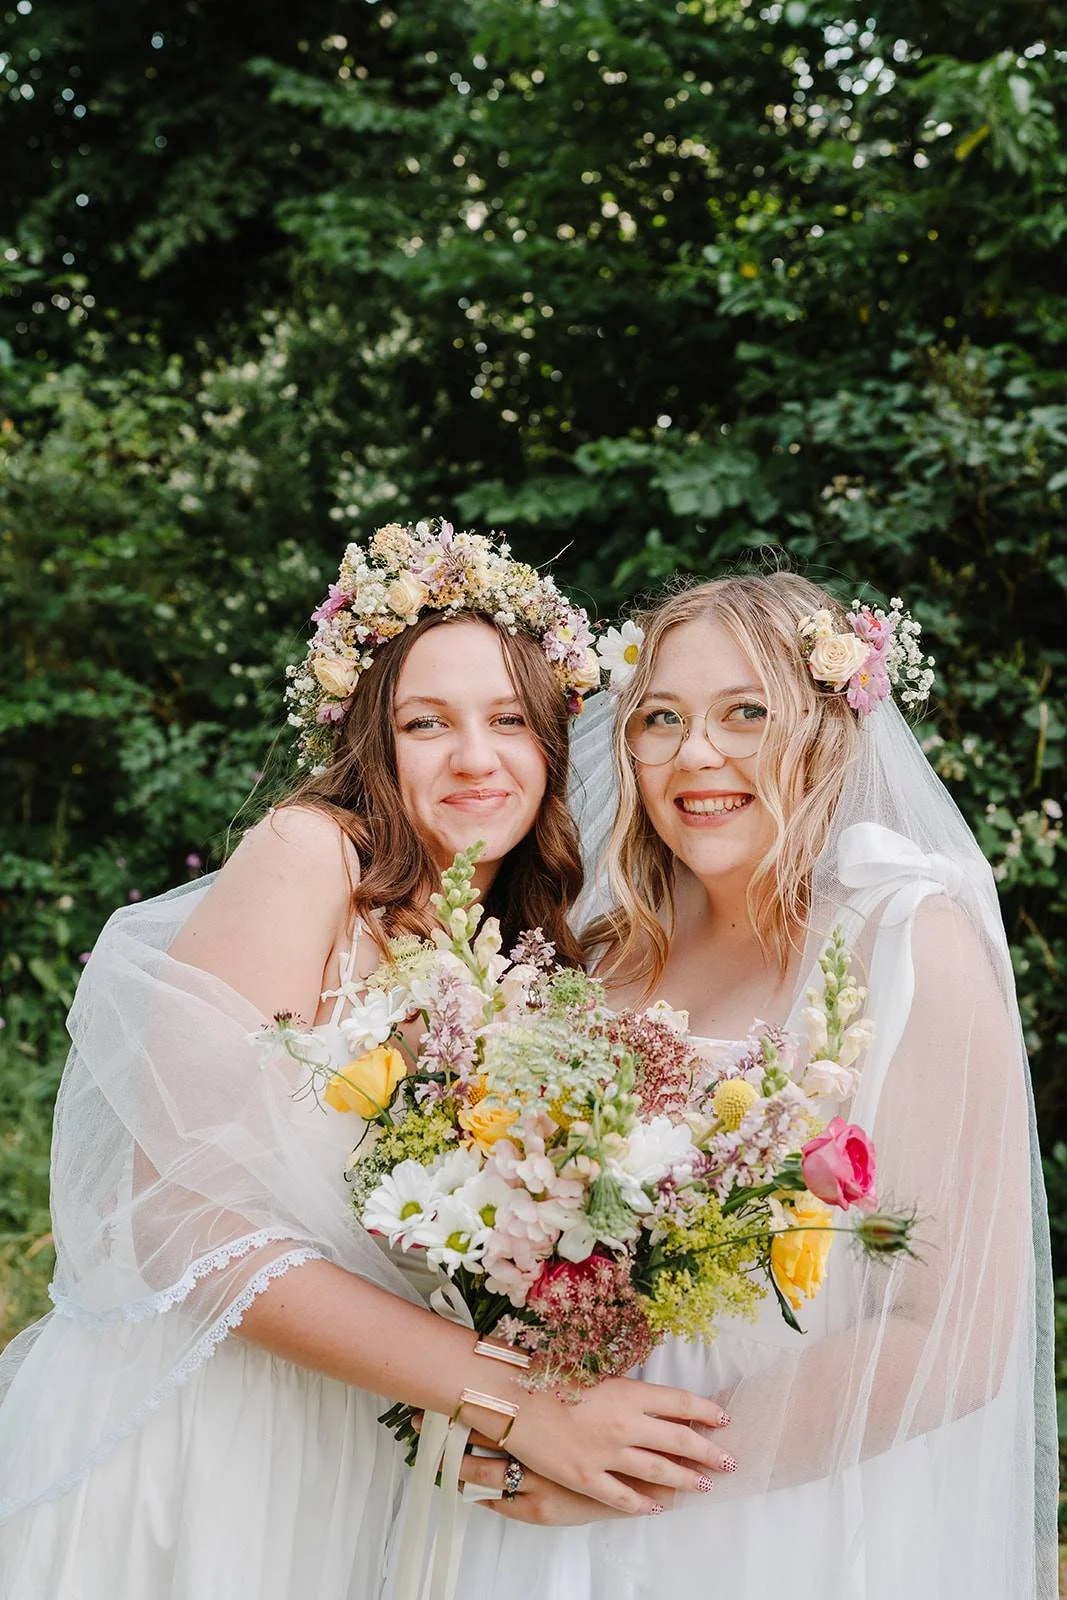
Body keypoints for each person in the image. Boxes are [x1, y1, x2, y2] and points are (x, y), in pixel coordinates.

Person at [0, 523, 733, 1600]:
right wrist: (517, 1399)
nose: (474, 758)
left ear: (552, 741)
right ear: (372, 745)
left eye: (506, 722)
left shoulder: (538, 951)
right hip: (210, 1421)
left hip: (371, 1435)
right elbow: (177, 1222)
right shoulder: (311, 859)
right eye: (425, 723)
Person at [562, 570, 1057, 1599]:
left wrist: (638, 1476)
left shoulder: (908, 946)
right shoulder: (595, 956)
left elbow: (950, 1339)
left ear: (826, 726)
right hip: (550, 1501)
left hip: (780, 1526)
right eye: (660, 716)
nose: (696, 753)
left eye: (744, 712)